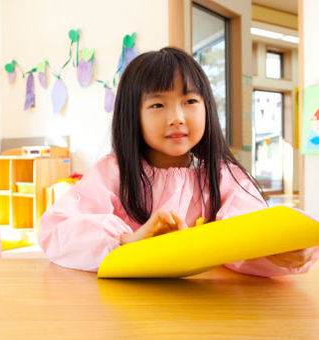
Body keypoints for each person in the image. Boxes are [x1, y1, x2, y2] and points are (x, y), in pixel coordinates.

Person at [38, 47, 317, 276]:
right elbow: (56, 230)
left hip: (204, 308)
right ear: (132, 116)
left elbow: (248, 232)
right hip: (124, 306)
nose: (177, 118)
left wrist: (280, 249)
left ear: (207, 106)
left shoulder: (224, 177)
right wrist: (126, 240)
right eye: (158, 105)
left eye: (190, 101)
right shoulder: (114, 173)